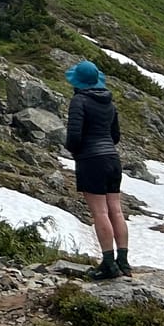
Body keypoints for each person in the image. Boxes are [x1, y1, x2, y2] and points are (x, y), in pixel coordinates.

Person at [65, 59, 129, 279]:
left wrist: (76, 151)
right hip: (112, 159)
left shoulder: (79, 101)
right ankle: (123, 262)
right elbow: (115, 136)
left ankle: (108, 264)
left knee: (100, 212)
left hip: (91, 160)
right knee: (116, 211)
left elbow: (74, 136)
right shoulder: (109, 102)